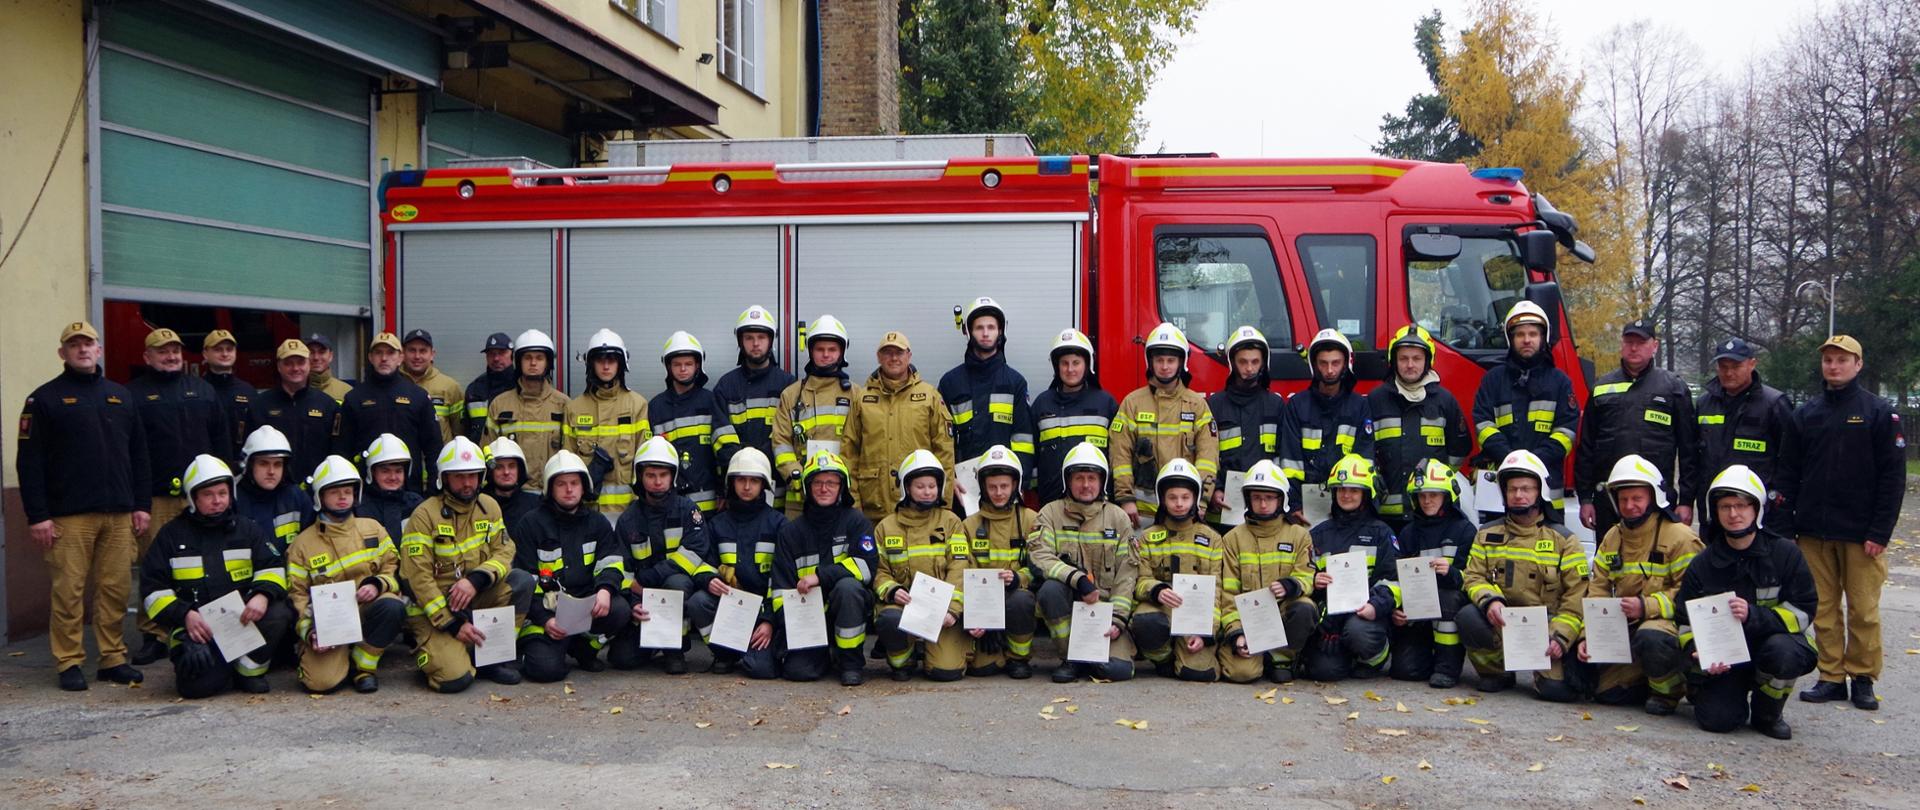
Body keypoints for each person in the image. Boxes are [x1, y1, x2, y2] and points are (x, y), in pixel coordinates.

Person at [16, 320, 151, 690]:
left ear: (99, 349)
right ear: (62, 353)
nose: (82, 349)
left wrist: (141, 505)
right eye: (73, 345)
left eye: (88, 343)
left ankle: (112, 658)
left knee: (116, 589)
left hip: (120, 513)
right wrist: (38, 516)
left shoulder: (121, 397)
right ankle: (69, 661)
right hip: (68, 517)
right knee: (69, 591)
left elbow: (139, 455)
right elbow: (29, 463)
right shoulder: (43, 400)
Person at [1780, 335, 1904, 711]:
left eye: (1841, 360)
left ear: (1858, 364)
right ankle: (1831, 676)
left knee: (1863, 609)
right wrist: (1787, 527)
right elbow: (1788, 472)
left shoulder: (1878, 412)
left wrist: (1879, 532)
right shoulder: (1807, 413)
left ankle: (1863, 677)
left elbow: (1892, 478)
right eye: (1828, 360)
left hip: (1861, 533)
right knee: (1823, 608)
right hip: (1813, 531)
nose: (1833, 366)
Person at [1678, 465, 1818, 738]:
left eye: (1741, 505)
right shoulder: (1703, 564)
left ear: (1757, 510)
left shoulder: (1785, 554)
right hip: (1727, 659)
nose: (1733, 514)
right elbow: (1684, 621)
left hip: (1773, 645)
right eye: (1725, 506)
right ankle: (1708, 689)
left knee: (1783, 652)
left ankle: (1768, 711)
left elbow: (1804, 610)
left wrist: (1754, 616)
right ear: (1715, 513)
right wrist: (1699, 652)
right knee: (1717, 721)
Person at [139, 454, 291, 697]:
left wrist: (262, 594)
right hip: (196, 629)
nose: (217, 501)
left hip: (242, 622)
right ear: (192, 497)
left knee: (279, 611)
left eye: (222, 493)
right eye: (208, 495)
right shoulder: (171, 535)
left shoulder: (247, 529)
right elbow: (152, 589)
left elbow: (273, 565)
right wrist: (184, 615)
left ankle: (248, 671)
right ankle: (220, 666)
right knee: (195, 689)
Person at [128, 327, 232, 664]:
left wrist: (224, 488)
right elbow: (131, 452)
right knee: (154, 566)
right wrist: (138, 501)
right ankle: (152, 633)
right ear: (148, 357)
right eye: (162, 351)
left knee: (202, 560)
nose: (171, 356)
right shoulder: (134, 394)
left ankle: (202, 620)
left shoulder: (201, 391)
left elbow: (221, 442)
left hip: (199, 498)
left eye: (175, 350)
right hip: (156, 497)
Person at [398, 436, 533, 692]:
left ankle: (491, 657)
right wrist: (452, 624)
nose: (468, 483)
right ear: (444, 478)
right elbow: (417, 580)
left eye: (473, 475)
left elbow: (505, 550)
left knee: (521, 582)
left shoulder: (489, 506)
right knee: (454, 680)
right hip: (434, 609)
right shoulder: (424, 515)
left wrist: (477, 579)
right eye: (459, 476)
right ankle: (443, 650)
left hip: (474, 596)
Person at [1458, 450, 1588, 701]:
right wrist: (1491, 601)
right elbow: (1473, 577)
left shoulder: (1564, 540)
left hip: (1547, 631)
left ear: (1540, 492)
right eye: (1512, 489)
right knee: (1467, 616)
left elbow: (1577, 596)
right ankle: (1497, 672)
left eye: (1526, 488)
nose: (1518, 495)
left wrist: (1561, 637)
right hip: (1502, 624)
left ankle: (1544, 675)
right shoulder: (1486, 534)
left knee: (1557, 692)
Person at [1576, 455, 1701, 714]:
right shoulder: (1613, 537)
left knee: (1651, 637)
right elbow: (1597, 589)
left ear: (1653, 497)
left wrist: (1646, 607)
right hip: (1627, 628)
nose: (1630, 505)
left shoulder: (1680, 538)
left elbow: (1693, 595)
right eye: (1623, 499)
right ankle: (1646, 677)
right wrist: (1590, 636)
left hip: (1670, 627)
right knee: (1606, 693)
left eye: (1637, 498)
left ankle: (1669, 691)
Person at [286, 455, 406, 694]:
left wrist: (377, 584)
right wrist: (309, 633)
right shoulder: (302, 545)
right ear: (320, 496)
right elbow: (296, 596)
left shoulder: (372, 529)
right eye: (334, 492)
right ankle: (334, 660)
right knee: (320, 683)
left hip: (367, 609)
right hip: (327, 624)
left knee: (393, 607)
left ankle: (363, 666)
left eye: (348, 491)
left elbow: (394, 567)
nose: (343, 498)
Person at [513, 451, 631, 682]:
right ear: (550, 488)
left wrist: (605, 591)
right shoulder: (531, 524)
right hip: (545, 614)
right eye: (561, 484)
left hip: (585, 609)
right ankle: (549, 651)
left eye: (575, 483)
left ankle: (583, 648)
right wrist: (545, 620)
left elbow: (611, 561)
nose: (569, 490)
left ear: (583, 486)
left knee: (620, 610)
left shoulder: (597, 523)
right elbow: (525, 580)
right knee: (545, 671)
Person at [1577, 318, 1700, 539]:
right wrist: (1585, 499)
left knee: (1658, 560)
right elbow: (1586, 448)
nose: (1634, 348)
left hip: (1657, 498)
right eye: (1629, 342)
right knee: (1609, 561)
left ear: (1655, 346)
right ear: (1621, 345)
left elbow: (1688, 449)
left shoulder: (1673, 388)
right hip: (1609, 499)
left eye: (1641, 343)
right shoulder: (1601, 387)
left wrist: (1686, 501)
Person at [1031, 443, 1140, 683]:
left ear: (1102, 481)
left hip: (1105, 612)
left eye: (1092, 478)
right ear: (1067, 481)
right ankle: (1070, 656)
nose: (1086, 485)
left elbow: (1127, 574)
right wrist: (1078, 579)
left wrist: (1118, 620)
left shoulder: (1117, 517)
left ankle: (1091, 657)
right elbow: (1040, 556)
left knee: (1118, 671)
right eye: (1079, 478)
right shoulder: (1050, 513)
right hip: (1071, 604)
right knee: (1049, 590)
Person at [610, 436, 718, 674]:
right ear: (640, 476)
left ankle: (674, 649)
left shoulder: (688, 510)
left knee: (676, 582)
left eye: (663, 475)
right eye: (651, 475)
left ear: (673, 476)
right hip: (642, 598)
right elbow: (622, 567)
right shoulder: (629, 519)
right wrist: (632, 602)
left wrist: (648, 580)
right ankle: (651, 641)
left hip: (674, 586)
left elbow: (695, 551)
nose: (657, 481)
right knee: (622, 659)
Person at [769, 451, 878, 686]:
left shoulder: (856, 522)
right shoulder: (791, 532)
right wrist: (793, 627)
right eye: (817, 482)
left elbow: (866, 567)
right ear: (808, 487)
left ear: (842, 487)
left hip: (846, 609)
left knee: (848, 587)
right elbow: (780, 591)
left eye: (831, 482)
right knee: (799, 672)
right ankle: (823, 654)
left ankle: (850, 661)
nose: (824, 488)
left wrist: (819, 577)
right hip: (807, 618)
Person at [1470, 302, 1579, 523]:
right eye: (1520, 334)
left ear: (1543, 338)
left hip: (1547, 491)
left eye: (1532, 333)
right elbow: (1483, 424)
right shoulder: (1493, 380)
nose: (1527, 339)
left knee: (1549, 551)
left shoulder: (1560, 382)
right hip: (1500, 489)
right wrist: (1511, 460)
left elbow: (1566, 432)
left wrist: (1532, 463)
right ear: (1511, 339)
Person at [871, 450, 970, 682]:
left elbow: (959, 566)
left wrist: (953, 610)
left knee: (946, 673)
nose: (927, 491)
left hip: (942, 611)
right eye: (920, 486)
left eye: (932, 486)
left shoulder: (951, 522)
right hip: (903, 608)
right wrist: (892, 590)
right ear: (906, 488)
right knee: (888, 620)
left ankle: (932, 650)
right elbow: (879, 570)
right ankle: (902, 659)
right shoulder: (886, 527)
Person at [1217, 460, 1318, 684]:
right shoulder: (1232, 539)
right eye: (1256, 497)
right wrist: (1236, 634)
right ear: (1248, 499)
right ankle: (1253, 655)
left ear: (1282, 499)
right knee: (1242, 674)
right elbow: (1227, 594)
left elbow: (1307, 576)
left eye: (1269, 498)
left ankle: (1282, 657)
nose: (1263, 504)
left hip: (1282, 619)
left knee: (1305, 608)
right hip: (1247, 623)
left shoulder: (1299, 535)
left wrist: (1291, 585)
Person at [1110, 322, 1219, 525]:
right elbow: (1120, 455)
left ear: (1181, 362)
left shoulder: (1197, 405)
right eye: (1159, 360)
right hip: (1142, 512)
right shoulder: (1132, 403)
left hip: (1184, 510)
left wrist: (1201, 501)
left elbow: (1207, 458)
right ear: (1150, 362)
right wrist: (1125, 498)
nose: (1165, 366)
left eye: (1171, 360)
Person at [1301, 455, 1397, 682]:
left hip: (1365, 616)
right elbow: (1305, 571)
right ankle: (1344, 657)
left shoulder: (1381, 533)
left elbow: (1392, 580)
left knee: (1358, 634)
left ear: (1366, 493)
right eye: (1341, 489)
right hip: (1330, 617)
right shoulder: (1318, 533)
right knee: (1323, 672)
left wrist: (1375, 606)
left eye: (1354, 490)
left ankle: (1375, 658)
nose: (1346, 495)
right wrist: (1314, 581)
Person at [1129, 459, 1225, 681]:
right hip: (1162, 610)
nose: (1179, 504)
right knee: (1145, 621)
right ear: (1162, 499)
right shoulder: (1147, 537)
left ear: (1195, 499)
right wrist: (1156, 590)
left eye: (1185, 497)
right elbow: (1140, 579)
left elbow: (1217, 590)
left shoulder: (1212, 540)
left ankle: (1185, 654)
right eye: (1172, 497)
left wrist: (1207, 634)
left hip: (1196, 618)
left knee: (1200, 673)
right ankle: (1162, 659)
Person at [845, 331, 954, 524]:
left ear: (909, 356)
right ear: (879, 357)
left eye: (899, 352)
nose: (894, 358)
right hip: (873, 507)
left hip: (921, 508)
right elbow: (849, 453)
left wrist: (943, 505)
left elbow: (944, 452)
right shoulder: (862, 399)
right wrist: (853, 505)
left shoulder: (929, 397)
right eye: (887, 352)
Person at [1387, 459, 1476, 688]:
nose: (1427, 501)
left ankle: (1447, 667)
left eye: (1433, 495)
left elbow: (1476, 577)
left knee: (1448, 598)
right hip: (1417, 609)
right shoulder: (1408, 533)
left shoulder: (1465, 530)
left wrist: (1452, 573)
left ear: (1447, 495)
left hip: (1450, 605)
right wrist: (1398, 609)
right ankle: (1426, 657)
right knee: (1406, 671)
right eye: (1421, 495)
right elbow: (1398, 575)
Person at [1368, 325, 1468, 528]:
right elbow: (1365, 450)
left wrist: (1435, 486)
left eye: (1417, 358)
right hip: (1387, 515)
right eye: (1403, 358)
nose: (1410, 365)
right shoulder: (1375, 400)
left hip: (1431, 514)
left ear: (1428, 361)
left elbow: (1459, 450)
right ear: (1393, 361)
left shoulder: (1444, 401)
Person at [1693, 338, 1794, 534]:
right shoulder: (1704, 404)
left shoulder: (1774, 404)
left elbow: (1791, 463)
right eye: (1723, 367)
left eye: (1736, 366)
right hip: (1715, 511)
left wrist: (1783, 515)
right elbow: (1693, 458)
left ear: (1752, 364)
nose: (1729, 373)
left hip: (1760, 514)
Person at [700, 447, 786, 678]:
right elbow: (706, 563)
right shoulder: (718, 525)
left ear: (763, 485)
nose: (747, 487)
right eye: (741, 480)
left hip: (766, 613)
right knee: (699, 601)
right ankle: (724, 653)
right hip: (731, 611)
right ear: (732, 483)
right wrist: (709, 579)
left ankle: (752, 650)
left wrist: (769, 620)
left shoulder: (779, 524)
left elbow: (783, 579)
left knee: (761, 670)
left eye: (753, 481)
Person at [957, 445, 1039, 679]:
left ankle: (1018, 658)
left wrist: (1019, 578)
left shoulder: (1031, 520)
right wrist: (977, 615)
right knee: (984, 669)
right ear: (983, 487)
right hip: (981, 602)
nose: (999, 492)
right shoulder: (969, 525)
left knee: (1022, 600)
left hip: (1017, 596)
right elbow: (963, 571)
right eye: (992, 487)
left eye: (1004, 486)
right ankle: (995, 645)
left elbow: (1041, 567)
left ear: (1015, 485)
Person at [938, 297, 1035, 485]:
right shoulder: (950, 383)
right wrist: (949, 480)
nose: (985, 333)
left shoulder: (1015, 383)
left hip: (1004, 486)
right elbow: (940, 440)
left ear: (1000, 331)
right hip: (963, 489)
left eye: (991, 327)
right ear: (969, 332)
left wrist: (1018, 484)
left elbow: (1024, 440)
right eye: (979, 328)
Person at [1281, 330, 1373, 526]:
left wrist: (1354, 507)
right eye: (1323, 363)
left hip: (1346, 503)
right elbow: (1290, 463)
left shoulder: (1359, 406)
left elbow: (1365, 458)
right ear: (1314, 365)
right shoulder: (1297, 405)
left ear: (1346, 364)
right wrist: (1294, 505)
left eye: (1336, 363)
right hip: (1305, 509)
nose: (1330, 370)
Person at [773, 315, 860, 517]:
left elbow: (863, 445)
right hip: (800, 497)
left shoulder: (856, 394)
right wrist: (795, 474)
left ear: (842, 352)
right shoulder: (792, 395)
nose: (826, 355)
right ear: (811, 351)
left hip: (843, 493)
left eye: (832, 350)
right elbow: (781, 441)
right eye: (820, 349)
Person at [564, 328, 651, 518]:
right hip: (585, 515)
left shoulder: (637, 405)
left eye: (611, 360)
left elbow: (644, 461)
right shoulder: (574, 408)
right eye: (600, 360)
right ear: (590, 363)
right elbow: (567, 462)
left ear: (621, 364)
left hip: (628, 515)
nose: (606, 366)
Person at [339, 332, 440, 492]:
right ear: (370, 357)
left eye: (390, 353)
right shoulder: (354, 398)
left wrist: (434, 488)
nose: (384, 358)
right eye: (378, 353)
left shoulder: (418, 396)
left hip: (409, 491)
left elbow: (433, 448)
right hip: (366, 492)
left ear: (401, 358)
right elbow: (342, 450)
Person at [1205, 326, 1285, 525]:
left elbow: (1284, 455)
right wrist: (1215, 489)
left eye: (1255, 362)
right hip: (1224, 511)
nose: (1249, 368)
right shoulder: (1214, 405)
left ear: (1263, 364)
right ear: (1232, 363)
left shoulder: (1275, 405)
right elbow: (1207, 455)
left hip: (1266, 508)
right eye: (1243, 362)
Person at [713, 305, 797, 496]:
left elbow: (788, 436)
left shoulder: (788, 384)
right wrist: (745, 466)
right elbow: (721, 437)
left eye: (761, 337)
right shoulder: (726, 386)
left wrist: (761, 462)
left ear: (771, 341)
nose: (756, 344)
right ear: (740, 342)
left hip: (777, 487)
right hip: (739, 484)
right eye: (749, 338)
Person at [1031, 328, 1118, 507]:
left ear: (1087, 364)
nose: (1070, 369)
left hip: (1098, 505)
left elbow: (1118, 455)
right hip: (1052, 504)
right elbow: (1032, 454)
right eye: (1064, 363)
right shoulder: (1042, 404)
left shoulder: (1105, 404)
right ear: (1057, 366)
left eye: (1076, 363)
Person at [243, 339, 344, 483]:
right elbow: (249, 453)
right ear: (279, 366)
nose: (295, 368)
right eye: (288, 363)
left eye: (301, 362)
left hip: (317, 487)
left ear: (309, 364)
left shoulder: (327, 405)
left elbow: (337, 452)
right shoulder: (260, 405)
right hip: (274, 489)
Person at [485, 329, 570, 495]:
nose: (533, 363)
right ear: (518, 361)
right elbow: (487, 452)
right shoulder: (500, 405)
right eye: (527, 358)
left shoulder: (563, 405)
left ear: (548, 363)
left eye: (539, 358)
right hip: (512, 497)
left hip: (551, 496)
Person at [649, 331, 726, 513]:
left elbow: (725, 448)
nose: (683, 369)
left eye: (688, 364)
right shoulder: (656, 406)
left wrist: (726, 490)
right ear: (668, 367)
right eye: (677, 364)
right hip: (670, 503)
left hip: (711, 504)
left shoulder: (710, 401)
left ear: (698, 365)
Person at [231, 426, 314, 554]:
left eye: (278, 464)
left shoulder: (297, 497)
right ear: (248, 464)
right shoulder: (232, 499)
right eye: (263, 463)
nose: (271, 472)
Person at [401, 329, 467, 445]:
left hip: (440, 460)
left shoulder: (449, 387)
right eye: (412, 350)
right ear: (403, 354)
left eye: (423, 351)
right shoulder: (394, 384)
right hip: (401, 460)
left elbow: (460, 433)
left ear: (432, 354)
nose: (417, 356)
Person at [355, 434, 423, 542]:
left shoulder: (416, 504)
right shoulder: (360, 509)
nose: (393, 477)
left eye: (398, 471)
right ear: (372, 472)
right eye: (385, 471)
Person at [199, 329, 252, 451]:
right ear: (205, 354)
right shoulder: (197, 390)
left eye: (229, 349)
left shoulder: (247, 391)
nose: (225, 354)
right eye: (218, 349)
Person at [464, 332, 516, 441]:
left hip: (513, 456)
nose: (496, 358)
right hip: (480, 454)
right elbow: (466, 429)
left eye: (501, 353)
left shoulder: (522, 386)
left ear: (512, 355)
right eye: (491, 354)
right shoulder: (474, 390)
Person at [484, 437, 542, 527]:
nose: (506, 472)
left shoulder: (535, 504)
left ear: (520, 470)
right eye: (499, 467)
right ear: (490, 472)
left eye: (511, 466)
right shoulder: (479, 505)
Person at [304, 333, 354, 404]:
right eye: (311, 352)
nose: (316, 357)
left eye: (321, 352)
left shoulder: (346, 391)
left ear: (330, 356)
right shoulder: (295, 390)